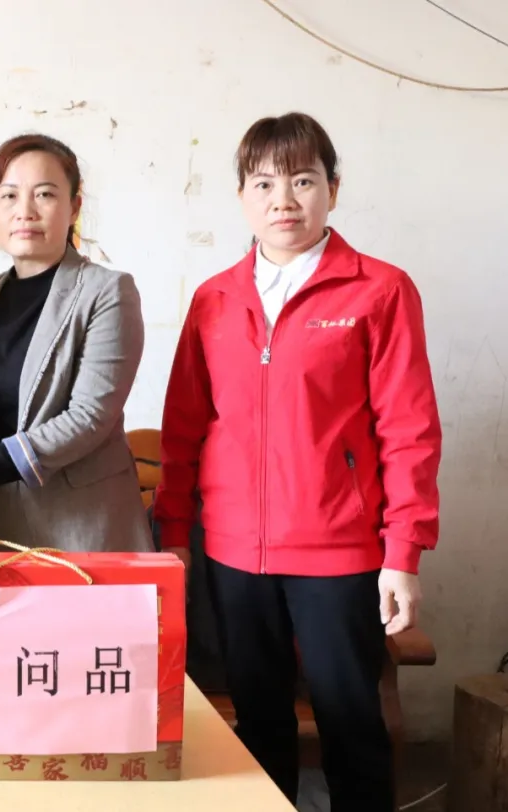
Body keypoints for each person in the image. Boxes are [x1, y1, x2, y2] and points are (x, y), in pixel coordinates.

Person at [154, 111, 441, 809]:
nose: (283, 200)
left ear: (333, 189)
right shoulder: (214, 298)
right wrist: (175, 535)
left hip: (338, 553)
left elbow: (409, 430)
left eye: (303, 181)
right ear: (242, 197)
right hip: (232, 554)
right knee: (258, 727)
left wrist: (403, 553)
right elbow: (183, 429)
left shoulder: (379, 290)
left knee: (351, 725)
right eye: (263, 184)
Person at [0, 133, 152, 553]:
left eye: (44, 194)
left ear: (74, 207)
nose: (24, 211)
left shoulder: (107, 292)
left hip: (81, 524)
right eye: (9, 196)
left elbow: (90, 417)